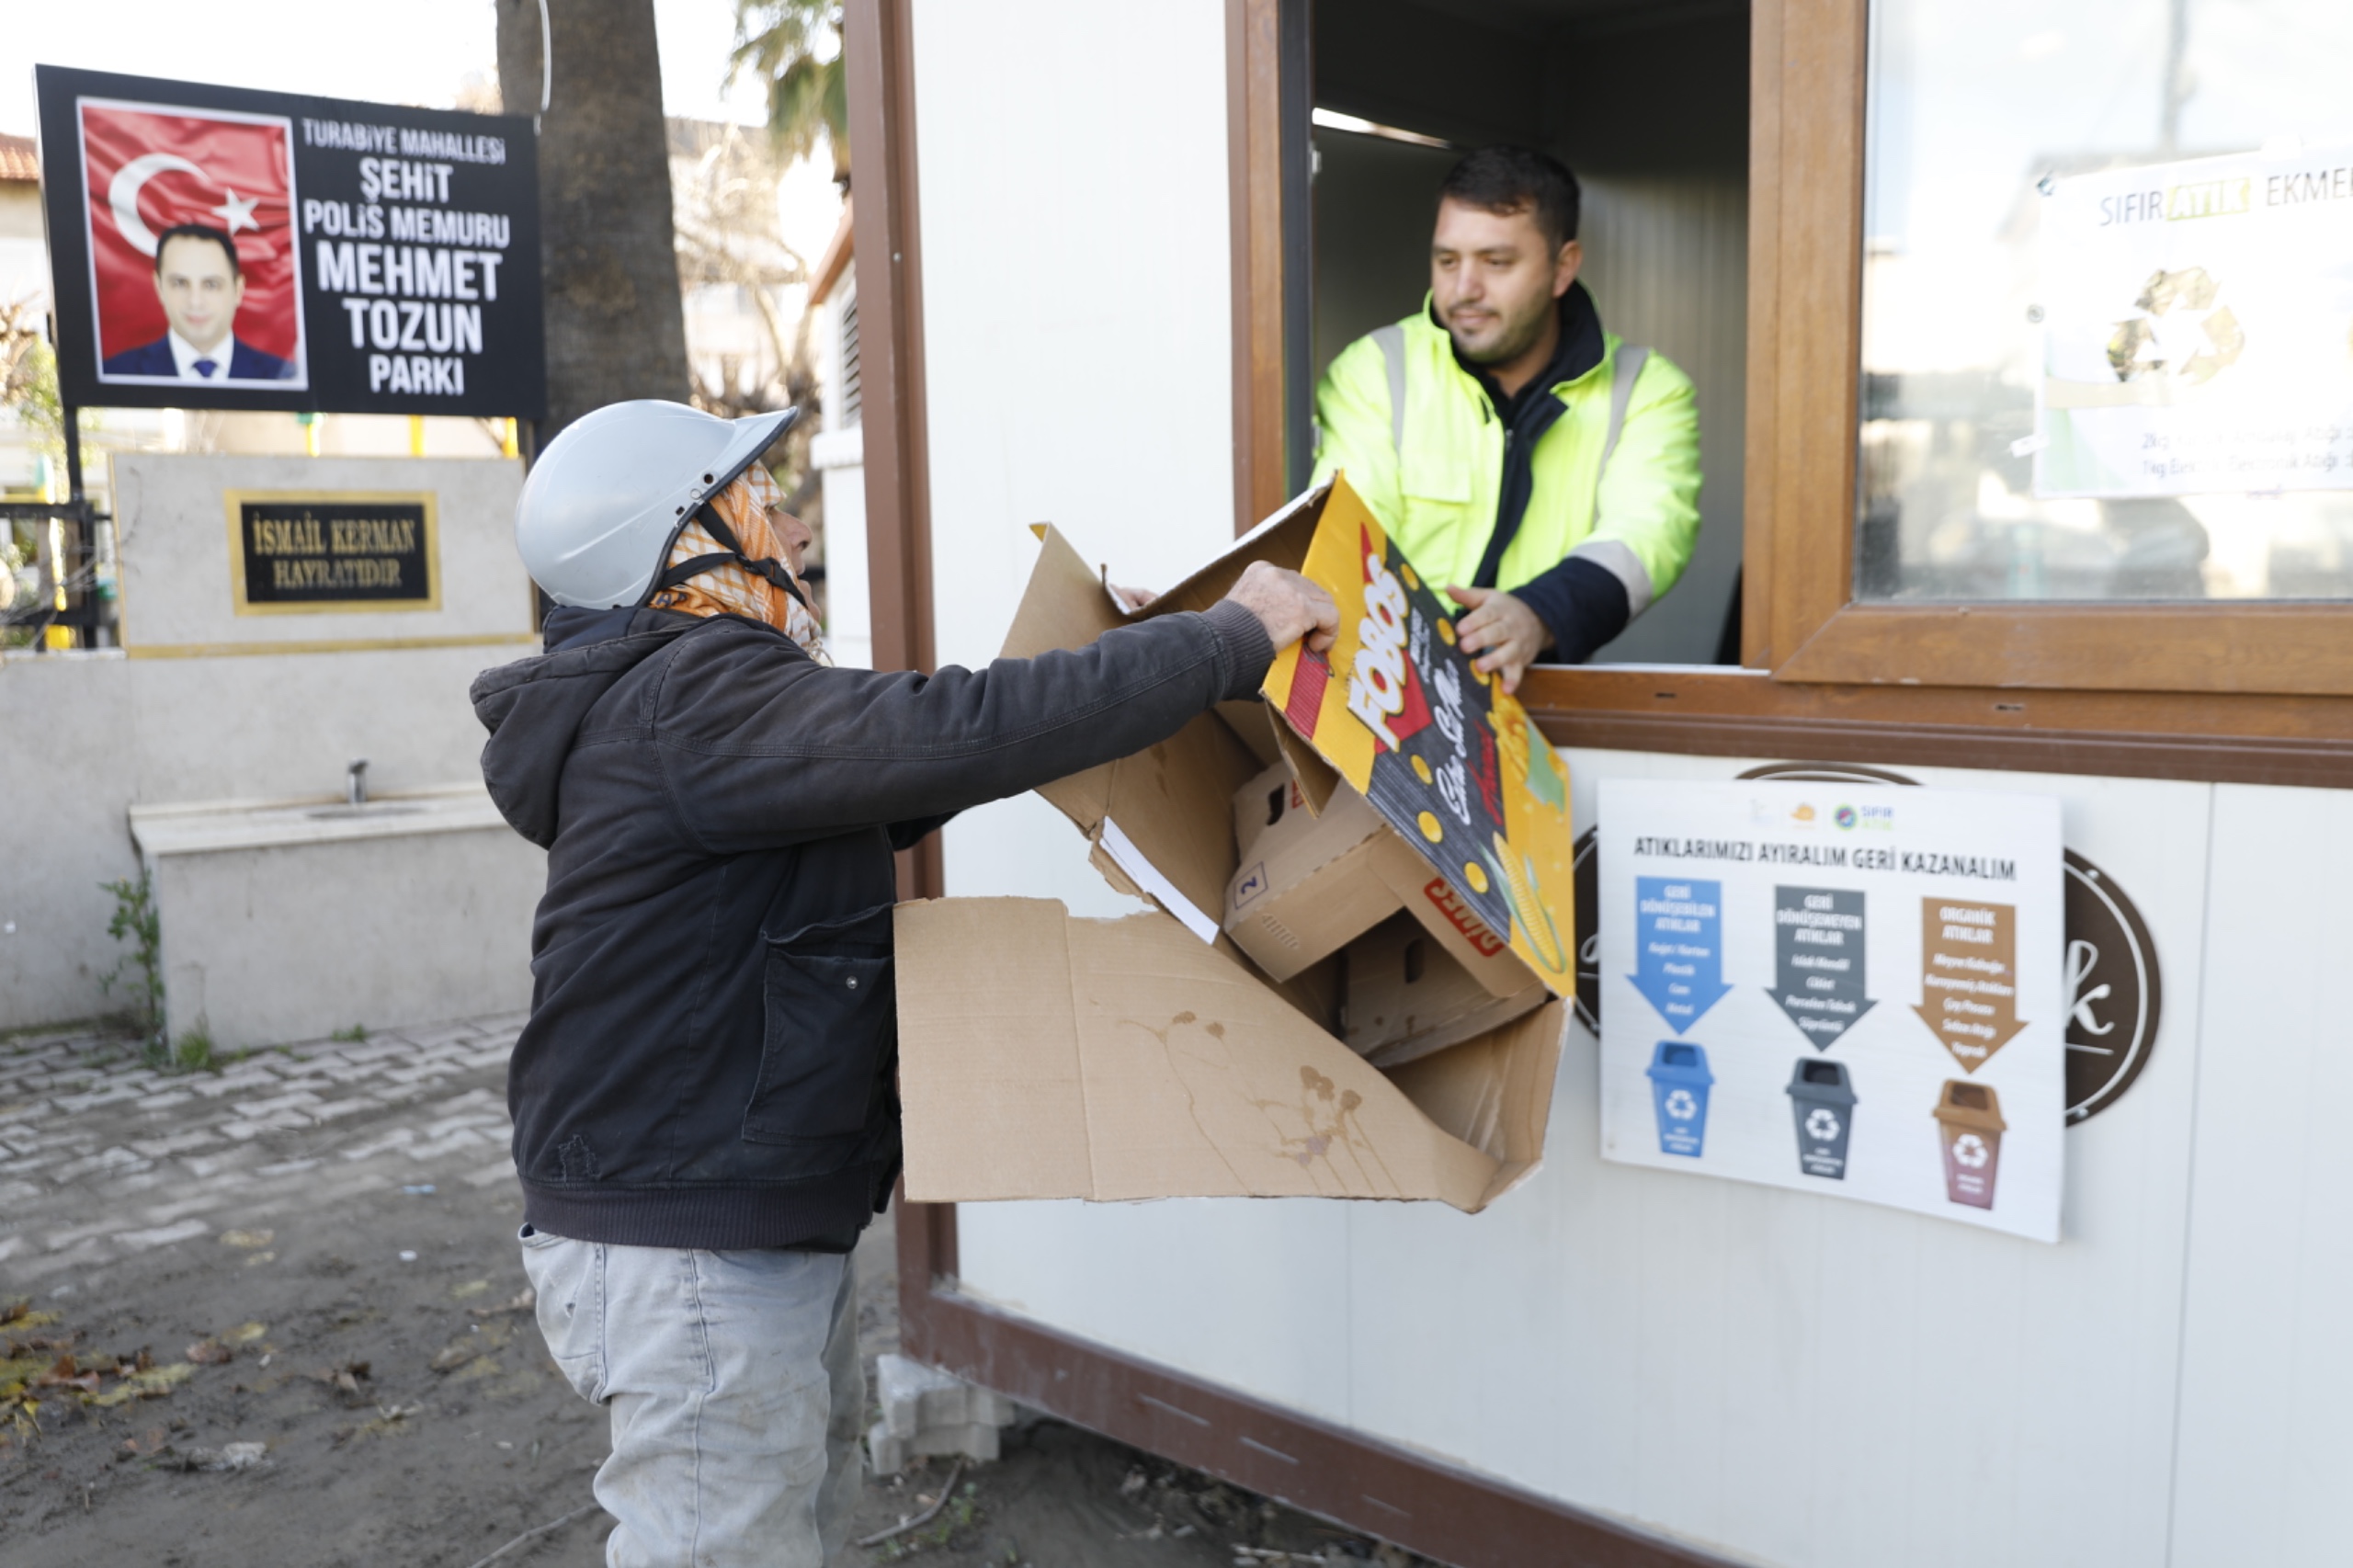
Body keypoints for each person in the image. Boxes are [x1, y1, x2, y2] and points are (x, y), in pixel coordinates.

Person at [470, 399, 1336, 1568]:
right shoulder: (689, 697)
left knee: (773, 1532)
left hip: (716, 1216)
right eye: (751, 500)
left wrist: (1150, 656)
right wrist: (1227, 637)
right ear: (674, 544)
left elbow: (917, 757)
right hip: (685, 1243)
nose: (785, 520)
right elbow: (953, 733)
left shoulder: (680, 704)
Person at [1313, 146, 1700, 691]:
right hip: (1389, 694)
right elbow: (1348, 536)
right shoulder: (1376, 368)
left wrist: (1538, 614)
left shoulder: (1647, 388)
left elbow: (1646, 536)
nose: (1463, 289)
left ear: (1563, 267)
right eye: (1447, 261)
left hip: (1545, 706)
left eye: (1496, 263)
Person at [102, 222, 294, 381]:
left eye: (211, 285)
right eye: (179, 283)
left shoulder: (284, 377)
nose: (195, 301)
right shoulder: (116, 372)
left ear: (238, 290)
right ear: (159, 287)